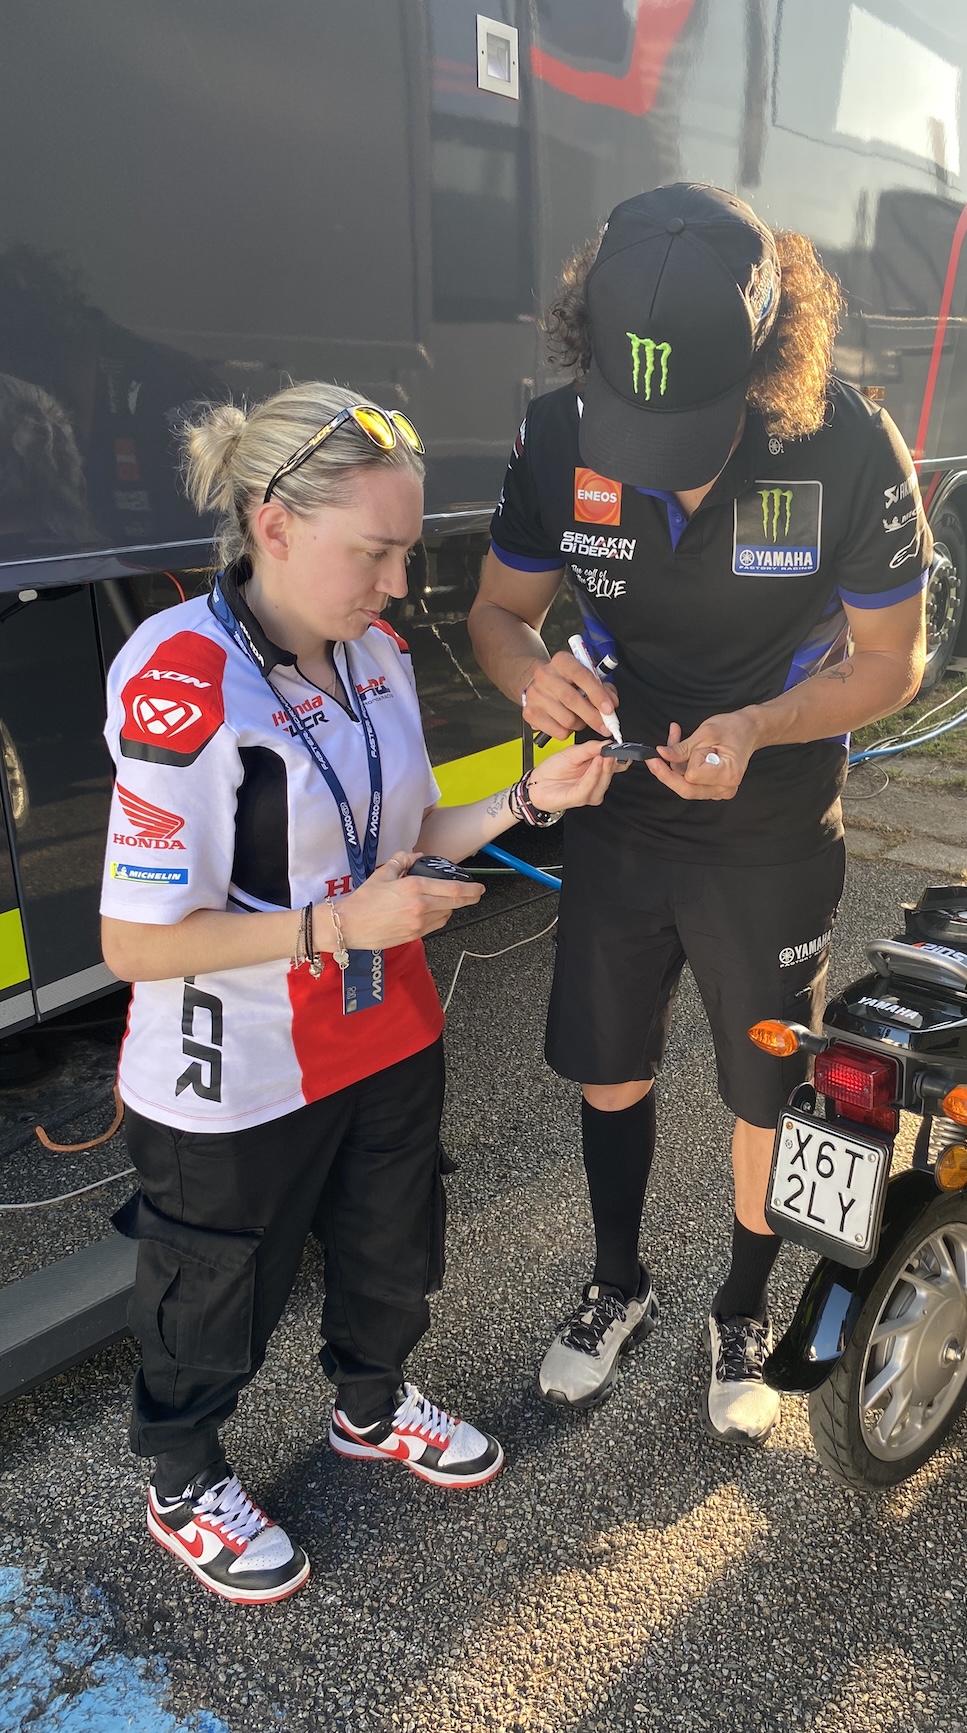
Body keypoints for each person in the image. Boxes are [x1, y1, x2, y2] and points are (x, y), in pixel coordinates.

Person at [100, 382, 614, 1603]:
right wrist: (335, 925)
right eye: (375, 552)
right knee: (214, 1287)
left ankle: (371, 1406)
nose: (398, 584)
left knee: (394, 1243)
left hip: (385, 1027)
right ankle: (183, 1475)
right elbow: (132, 942)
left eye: (407, 552)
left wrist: (530, 797)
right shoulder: (182, 675)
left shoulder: (375, 654)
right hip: (233, 1067)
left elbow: (409, 829)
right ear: (274, 523)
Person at [468, 183, 932, 1444]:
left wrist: (760, 726)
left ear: (770, 358)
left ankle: (740, 1304)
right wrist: (531, 678)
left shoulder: (848, 444)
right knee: (610, 1064)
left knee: (764, 1087)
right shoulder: (556, 433)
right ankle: (617, 1283)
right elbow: (498, 614)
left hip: (770, 821)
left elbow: (893, 662)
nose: (657, 455)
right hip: (619, 812)